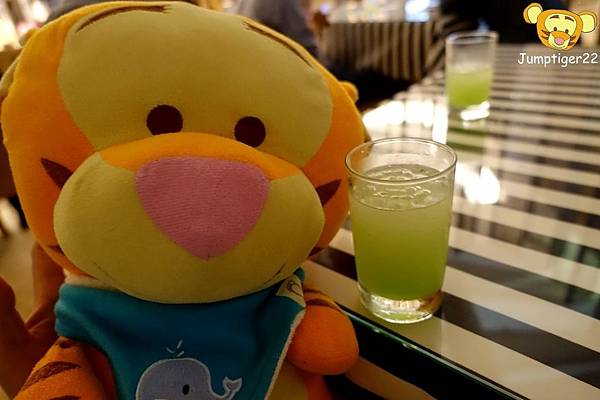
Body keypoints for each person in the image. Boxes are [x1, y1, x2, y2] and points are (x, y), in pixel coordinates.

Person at [234, 0, 319, 58]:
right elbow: (306, 46)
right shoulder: (283, 2)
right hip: (274, 67)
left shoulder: (243, 3)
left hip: (249, 63)